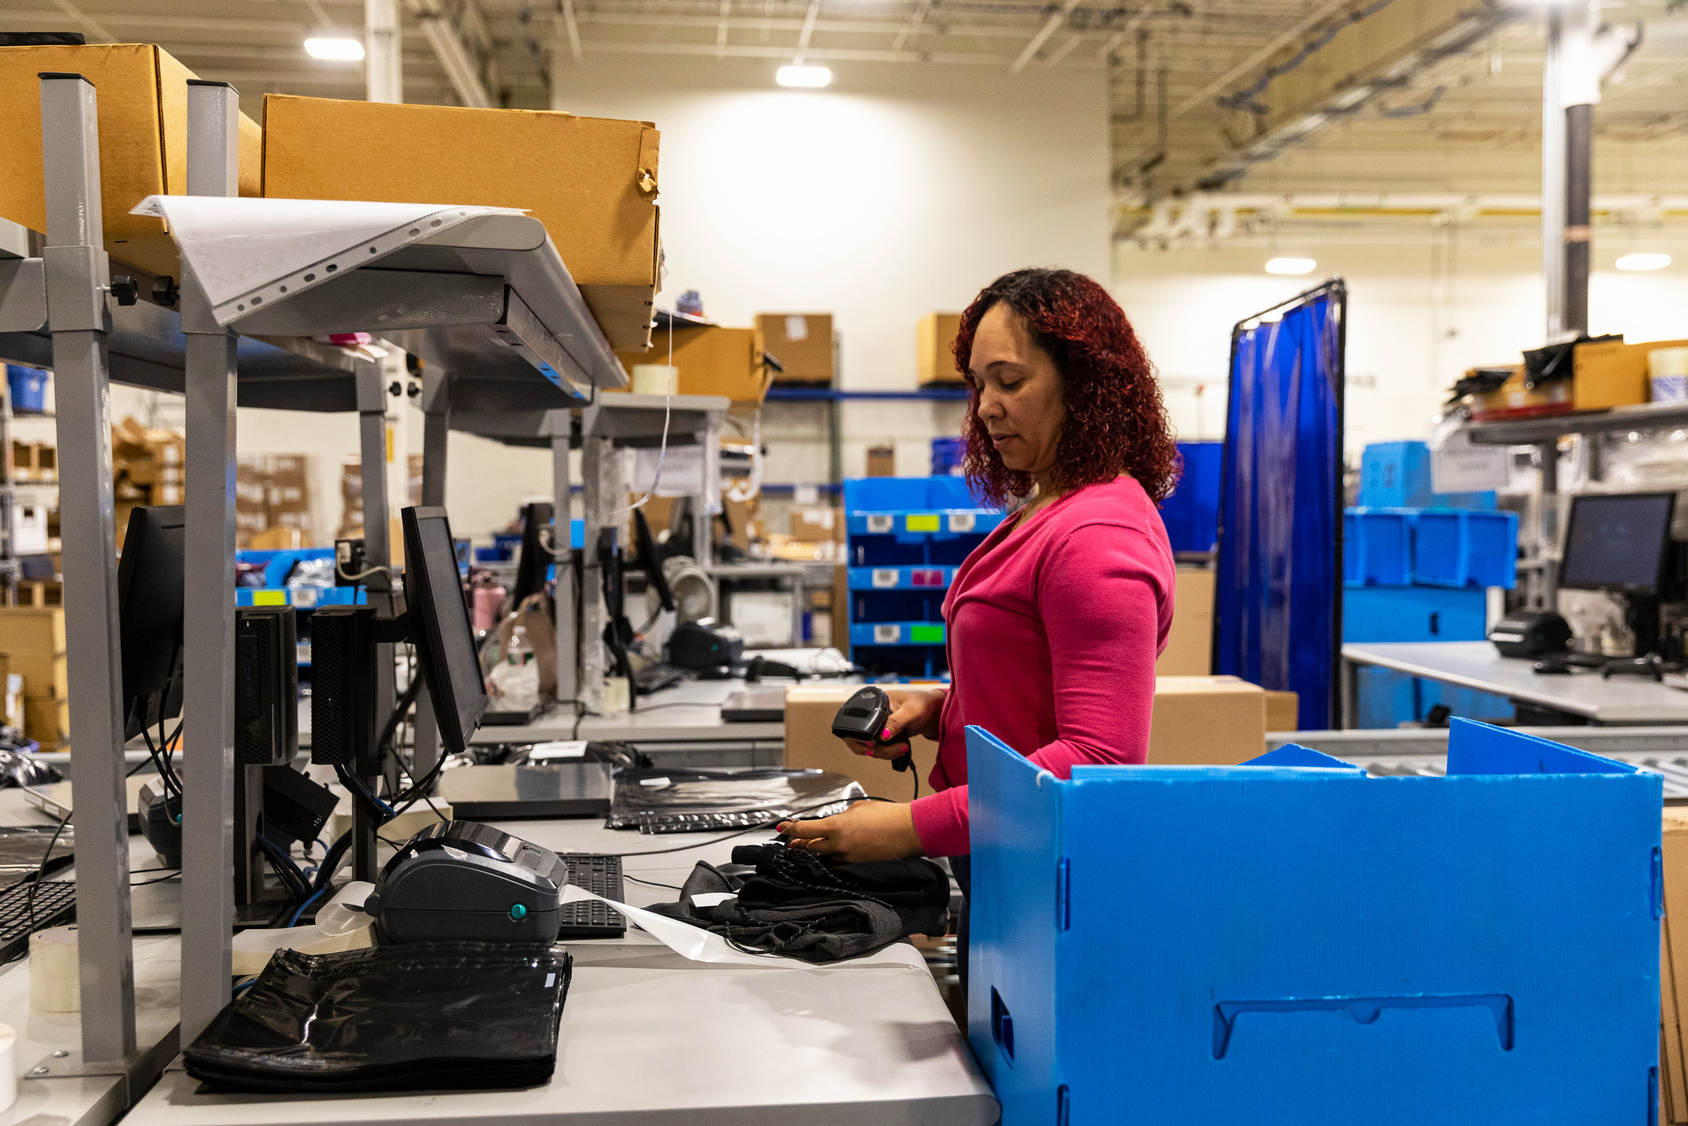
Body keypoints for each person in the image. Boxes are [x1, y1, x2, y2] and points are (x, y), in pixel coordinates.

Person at [778, 267, 1181, 973]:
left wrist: (907, 828)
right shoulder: (1053, 507)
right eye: (979, 384)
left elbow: (1098, 759)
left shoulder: (1096, 538)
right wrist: (940, 709)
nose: (988, 407)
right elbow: (1034, 686)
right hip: (1006, 860)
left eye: (1010, 380)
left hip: (1053, 886)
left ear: (1084, 383)